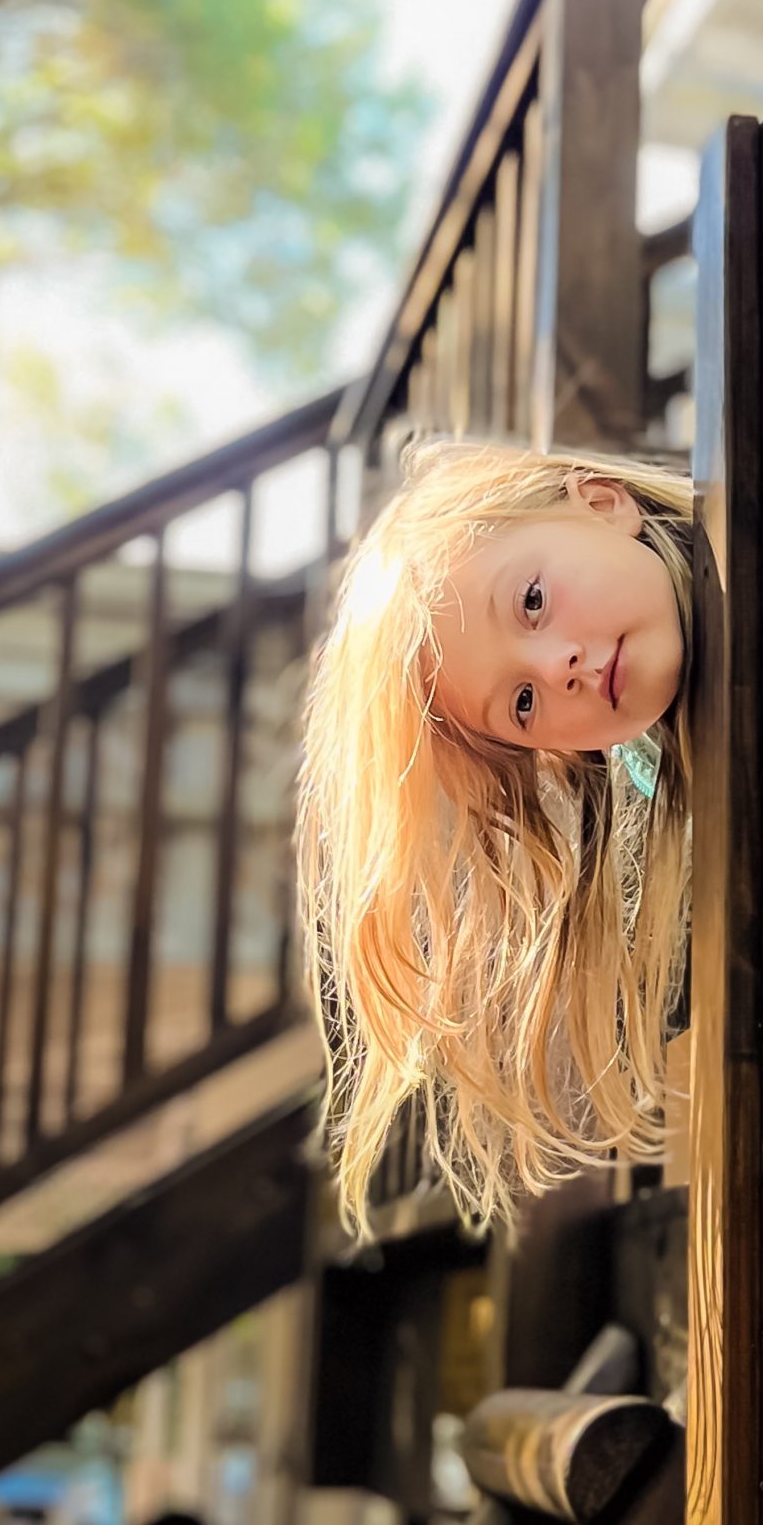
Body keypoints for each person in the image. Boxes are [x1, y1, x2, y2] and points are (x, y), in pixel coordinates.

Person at [296, 439, 694, 1233]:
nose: (559, 668)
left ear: (602, 500)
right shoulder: (663, 830)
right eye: (519, 703)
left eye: (533, 602)